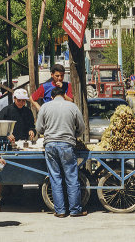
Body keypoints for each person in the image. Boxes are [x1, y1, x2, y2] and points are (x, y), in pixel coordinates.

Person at [36, 87, 86, 218]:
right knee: (71, 177)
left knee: (55, 177)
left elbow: (39, 128)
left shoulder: (45, 107)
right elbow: (81, 127)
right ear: (64, 95)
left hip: (50, 145)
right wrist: (74, 134)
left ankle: (60, 211)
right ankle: (75, 210)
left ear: (52, 97)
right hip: (67, 145)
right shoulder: (72, 106)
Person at [0, 89, 36, 205]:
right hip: (7, 145)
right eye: (19, 100)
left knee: (19, 171)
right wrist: (7, 134)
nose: (21, 103)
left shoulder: (28, 112)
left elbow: (31, 126)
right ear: (14, 99)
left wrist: (31, 131)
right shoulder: (6, 111)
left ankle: (18, 197)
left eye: (24, 101)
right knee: (5, 173)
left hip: (21, 144)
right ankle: (4, 198)